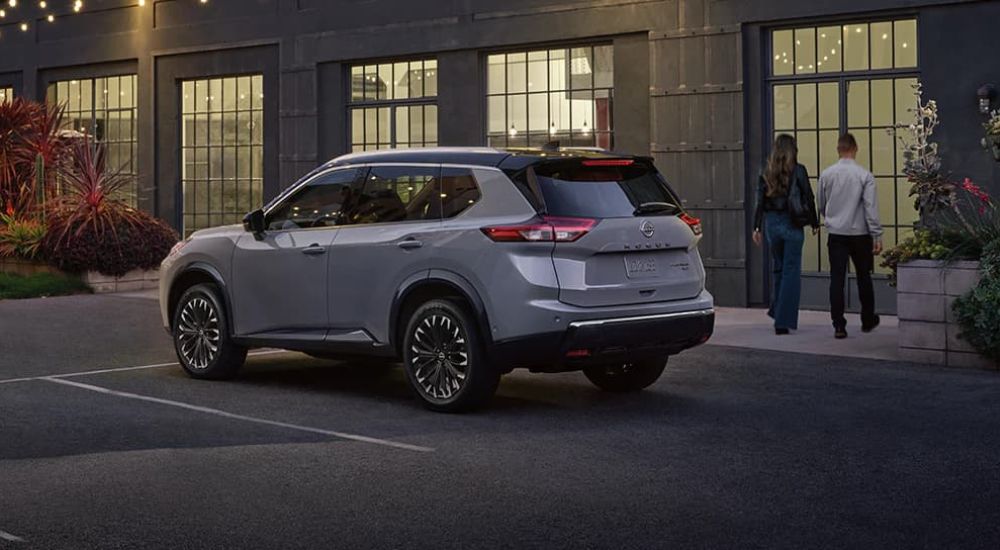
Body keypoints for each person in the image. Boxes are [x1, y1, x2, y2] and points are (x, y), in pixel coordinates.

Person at [818, 133, 883, 339]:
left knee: (836, 278)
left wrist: (829, 216)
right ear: (855, 149)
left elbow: (821, 203)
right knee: (863, 276)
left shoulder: (827, 174)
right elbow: (870, 207)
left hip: (836, 232)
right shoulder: (865, 175)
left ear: (838, 149)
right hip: (860, 233)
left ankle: (838, 324)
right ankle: (867, 319)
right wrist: (877, 234)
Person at [753, 134, 820, 335]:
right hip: (792, 224)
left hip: (772, 224)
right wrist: (814, 222)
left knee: (779, 269)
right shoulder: (798, 171)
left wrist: (756, 227)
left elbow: (759, 202)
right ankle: (782, 320)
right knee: (791, 271)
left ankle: (777, 309)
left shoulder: (766, 171)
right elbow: (808, 196)